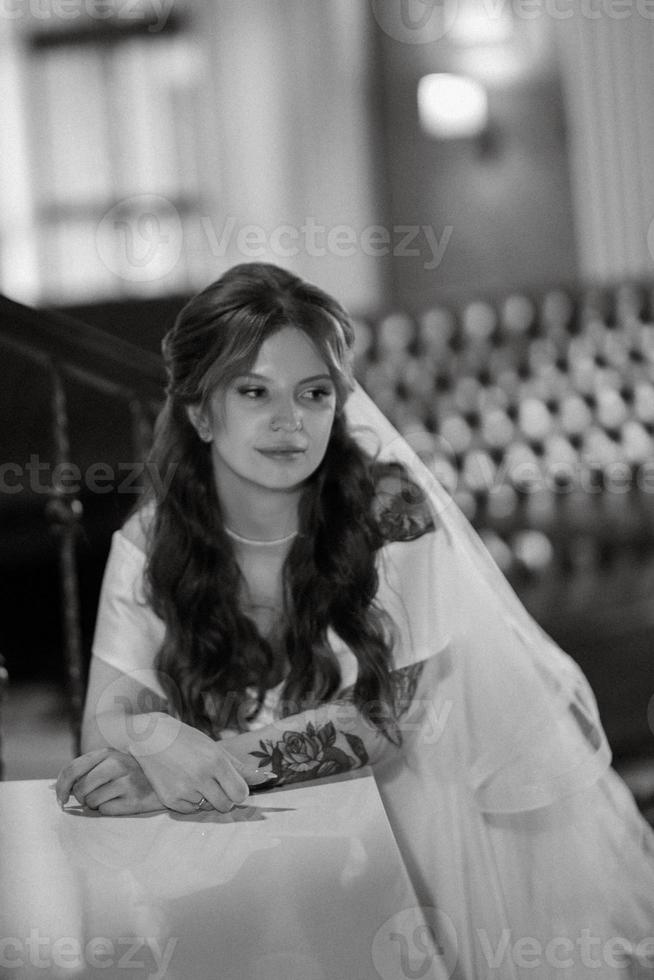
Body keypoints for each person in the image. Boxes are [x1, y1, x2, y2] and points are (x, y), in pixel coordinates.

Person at [57, 262, 654, 978]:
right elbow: (106, 721)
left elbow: (377, 723)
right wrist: (150, 736)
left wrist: (181, 768)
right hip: (256, 836)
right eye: (254, 392)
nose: (290, 423)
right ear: (199, 410)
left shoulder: (393, 514)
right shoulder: (149, 542)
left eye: (314, 394)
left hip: (417, 823)